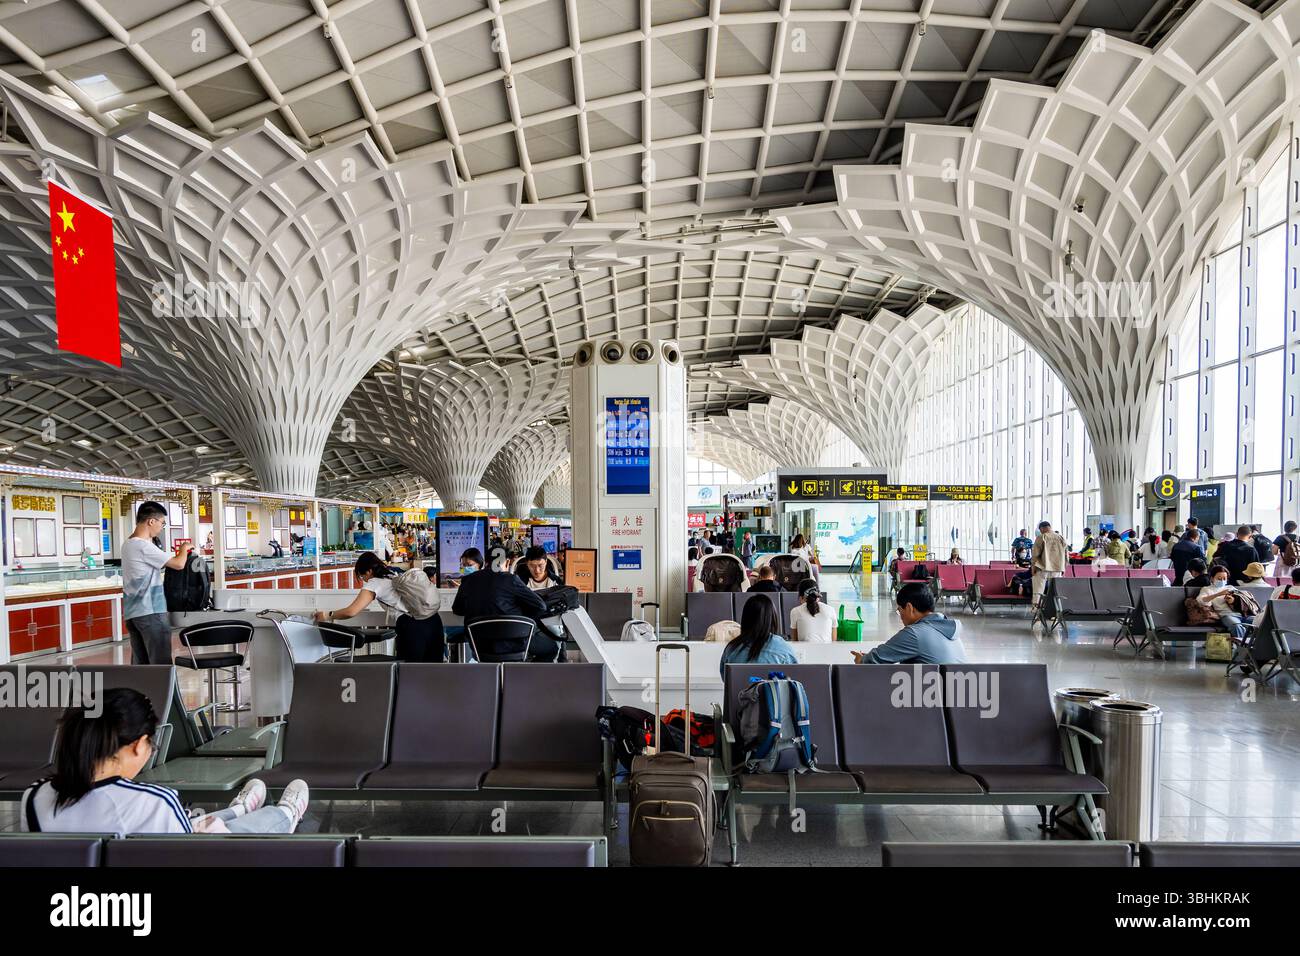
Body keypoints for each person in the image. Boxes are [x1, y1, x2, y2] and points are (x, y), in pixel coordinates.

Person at [21, 688, 309, 835]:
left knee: (200, 824)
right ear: (137, 746)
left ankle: (238, 809)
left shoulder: (34, 796)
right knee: (238, 832)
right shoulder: (155, 800)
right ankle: (286, 814)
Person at [314, 552, 445, 663]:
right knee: (433, 673)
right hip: (433, 621)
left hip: (413, 627)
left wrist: (326, 615)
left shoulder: (374, 583)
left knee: (409, 675)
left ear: (369, 571)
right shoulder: (394, 574)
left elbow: (351, 611)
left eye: (362, 576)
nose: (364, 580)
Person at [123, 501, 195, 665]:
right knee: (162, 666)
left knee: (141, 665)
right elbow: (178, 564)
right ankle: (167, 692)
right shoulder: (142, 546)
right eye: (162, 523)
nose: (162, 527)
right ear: (151, 521)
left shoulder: (128, 544)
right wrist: (184, 548)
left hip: (133, 614)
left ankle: (141, 691)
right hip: (151, 612)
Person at [452, 562, 565, 662]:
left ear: (485, 562)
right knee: (551, 648)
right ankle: (529, 680)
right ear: (506, 562)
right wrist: (520, 617)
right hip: (514, 645)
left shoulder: (468, 580)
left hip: (480, 647)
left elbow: (457, 609)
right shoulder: (511, 579)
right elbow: (540, 606)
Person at [851, 582, 966, 665]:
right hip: (960, 693)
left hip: (936, 695)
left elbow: (873, 661)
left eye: (899, 610)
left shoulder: (915, 633)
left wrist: (861, 659)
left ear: (909, 607)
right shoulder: (948, 629)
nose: (900, 615)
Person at [719, 594, 797, 677]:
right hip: (773, 689)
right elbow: (794, 678)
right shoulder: (783, 648)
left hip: (739, 690)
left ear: (745, 619)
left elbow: (726, 679)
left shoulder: (731, 648)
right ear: (772, 618)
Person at [1194, 565, 1248, 643]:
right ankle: (1244, 649)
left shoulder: (1231, 588)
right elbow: (1201, 600)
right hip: (1227, 616)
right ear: (1212, 578)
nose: (1222, 581)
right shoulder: (1207, 589)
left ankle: (1259, 648)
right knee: (1236, 625)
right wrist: (1218, 594)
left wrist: (1233, 601)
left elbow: (1241, 600)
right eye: (1219, 578)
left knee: (1260, 622)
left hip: (1242, 614)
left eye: (1224, 578)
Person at [1030, 520, 1067, 606]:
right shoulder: (1061, 537)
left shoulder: (1041, 537)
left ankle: (1037, 611)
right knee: (1055, 591)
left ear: (1042, 528)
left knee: (1038, 590)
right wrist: (1064, 567)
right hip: (1058, 568)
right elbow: (1066, 555)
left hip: (1042, 567)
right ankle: (1055, 612)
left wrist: (1033, 567)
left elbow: (1035, 554)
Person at [788, 579, 833, 643]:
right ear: (818, 596)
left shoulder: (795, 611)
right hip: (827, 652)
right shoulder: (831, 610)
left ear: (801, 598)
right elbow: (834, 641)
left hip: (805, 652)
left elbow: (795, 641)